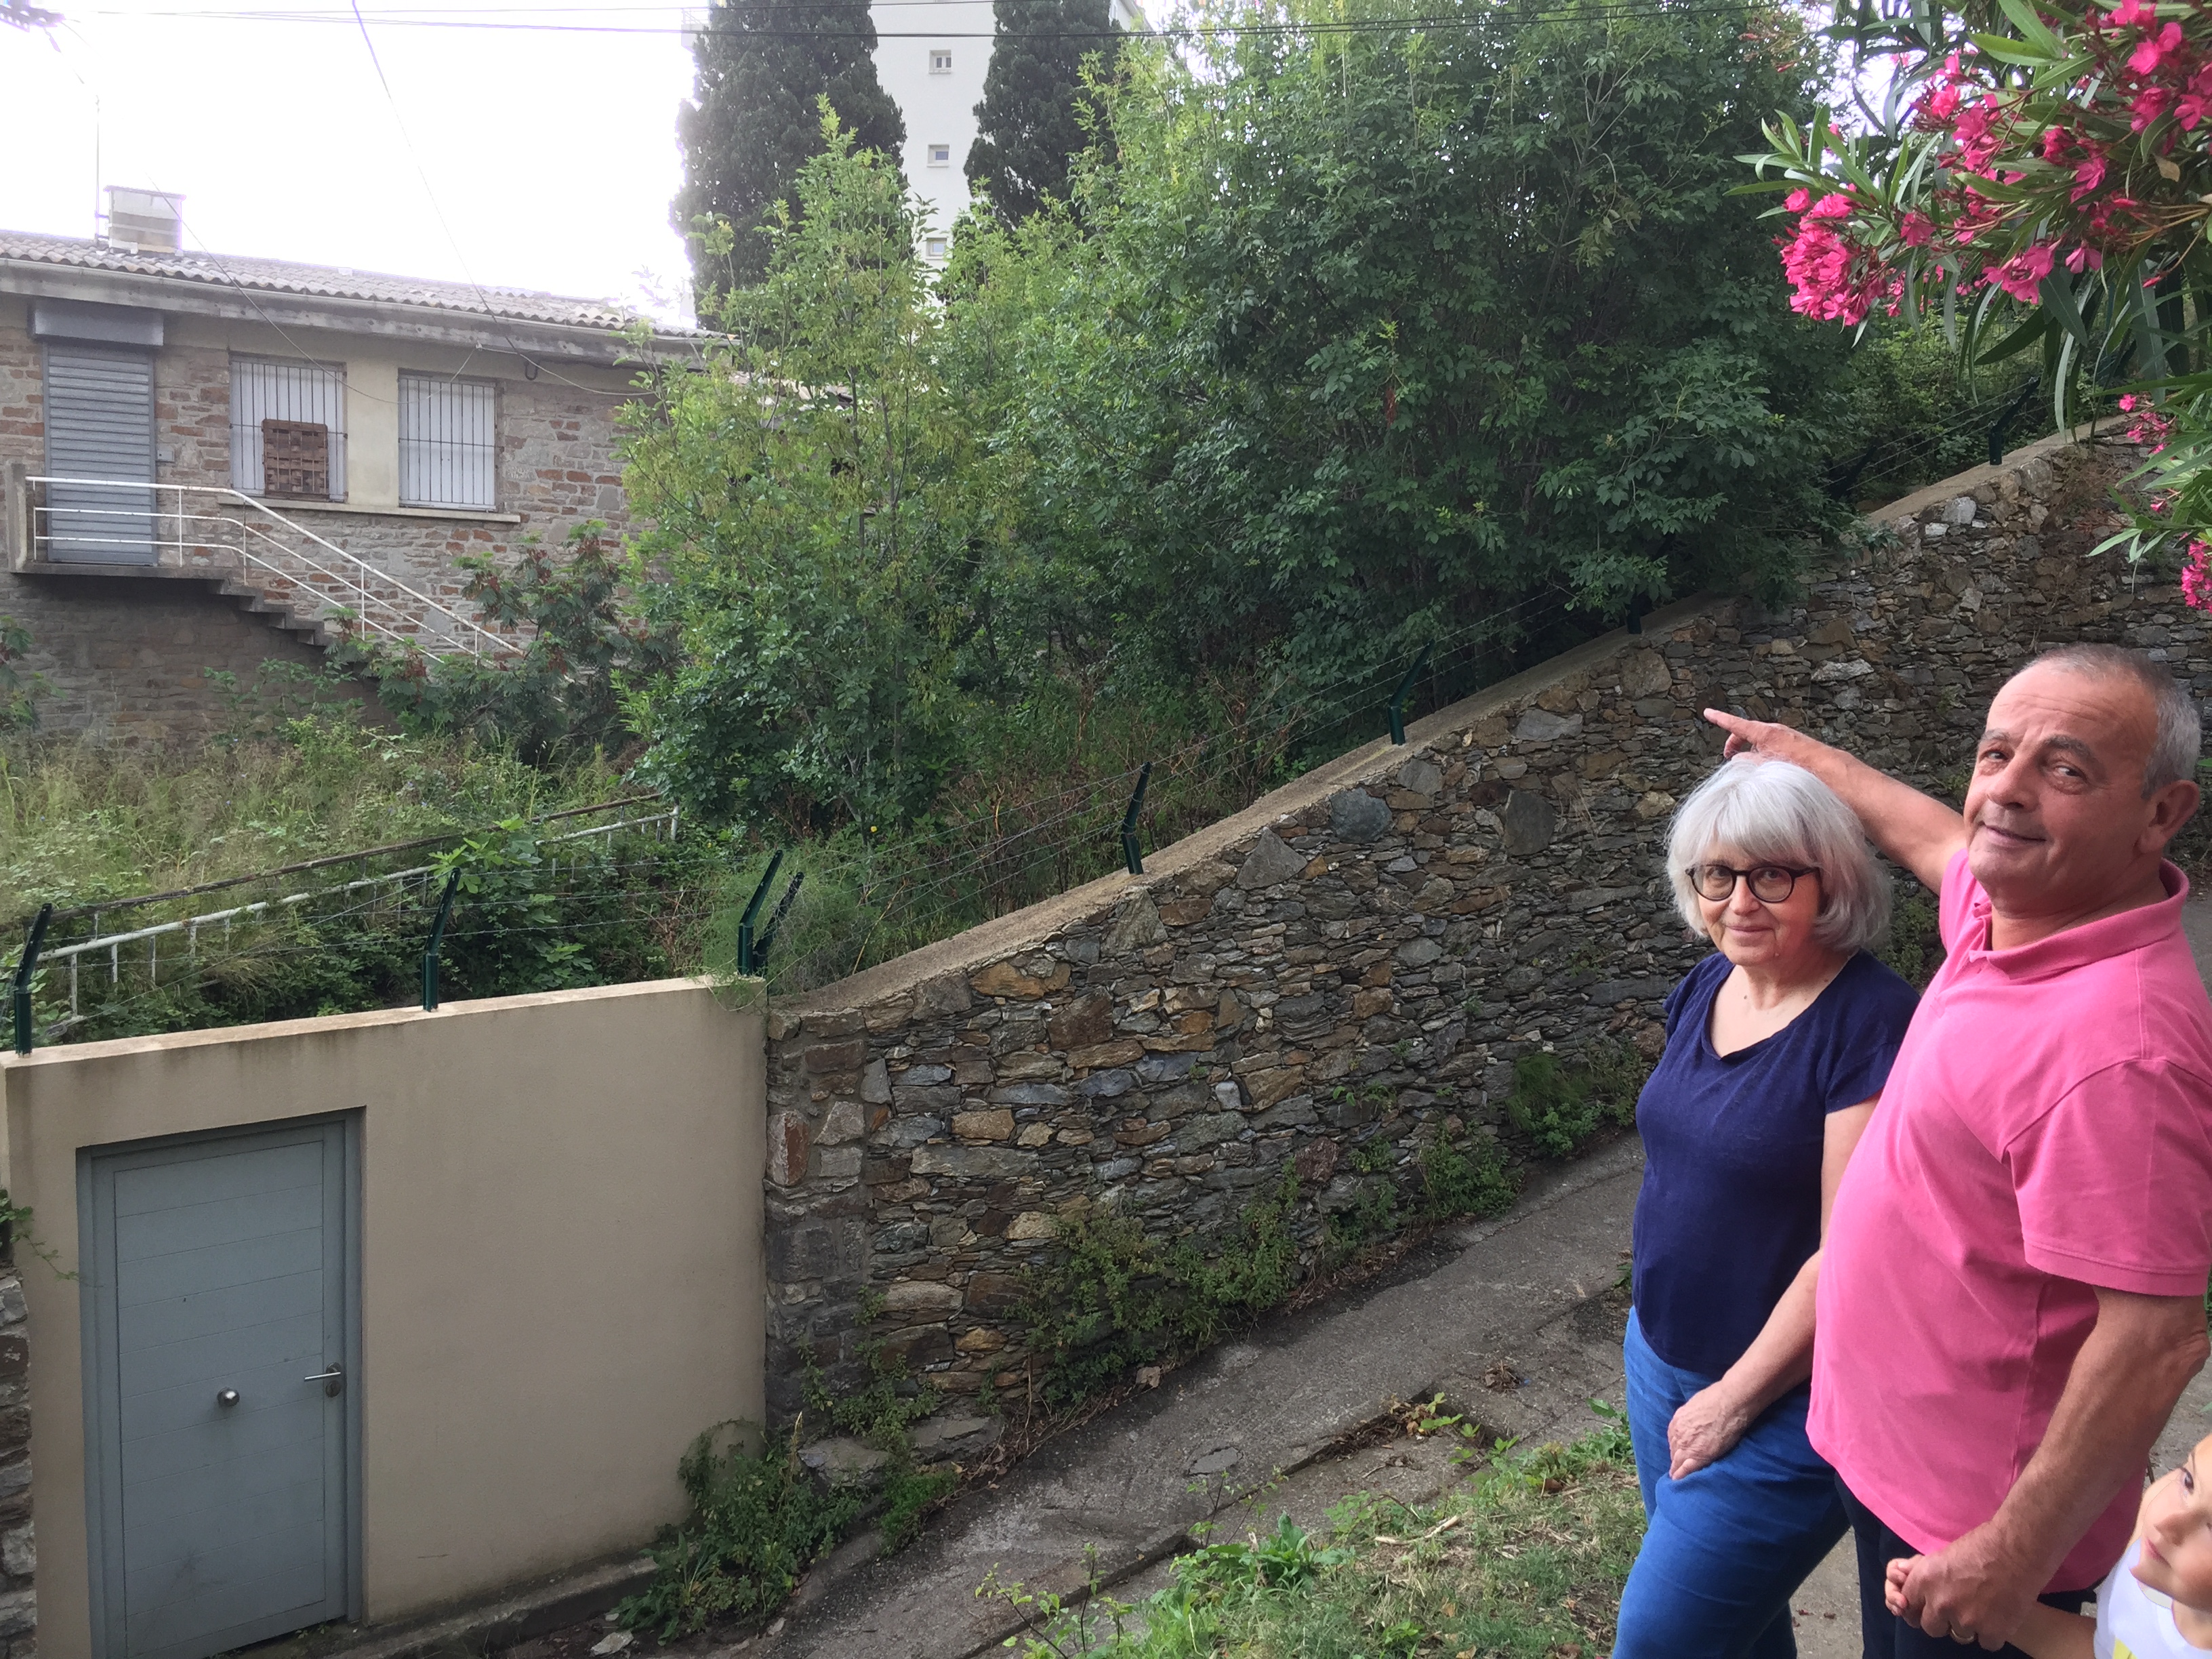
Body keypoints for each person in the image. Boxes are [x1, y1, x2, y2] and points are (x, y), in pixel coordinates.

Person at [1706, 642, 2212, 1657]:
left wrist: (2010, 1558)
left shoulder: (2121, 1050)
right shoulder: (2010, 917)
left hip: (1974, 1528)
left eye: (2065, 770)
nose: (2007, 793)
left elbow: (2157, 1337)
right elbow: (1933, 834)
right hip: (1893, 1467)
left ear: (2161, 814)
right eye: (1994, 756)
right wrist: (1808, 757)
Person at [1613, 755, 1920, 1658]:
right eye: (1716, 874)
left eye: (1772, 874)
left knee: (1661, 1640)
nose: (1738, 901)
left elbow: (1852, 1252)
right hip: (1660, 1357)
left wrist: (1732, 1402)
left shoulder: (1870, 1023)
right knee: (1738, 1633)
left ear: (1833, 879)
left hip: (1789, 1399)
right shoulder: (1711, 984)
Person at [1881, 1428, 2212, 1659]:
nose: (2166, 1521)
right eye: (2188, 1481)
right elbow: (2108, 1648)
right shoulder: (2151, 1561)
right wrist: (1970, 1598)